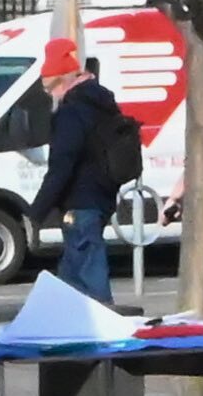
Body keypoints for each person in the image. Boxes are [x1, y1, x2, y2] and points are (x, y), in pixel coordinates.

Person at [32, 34, 133, 304]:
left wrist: (36, 211)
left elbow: (61, 165)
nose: (48, 94)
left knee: (88, 272)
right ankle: (69, 324)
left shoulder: (71, 112)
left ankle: (103, 327)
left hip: (80, 202)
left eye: (48, 87)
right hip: (101, 197)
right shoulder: (101, 103)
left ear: (62, 80)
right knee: (71, 278)